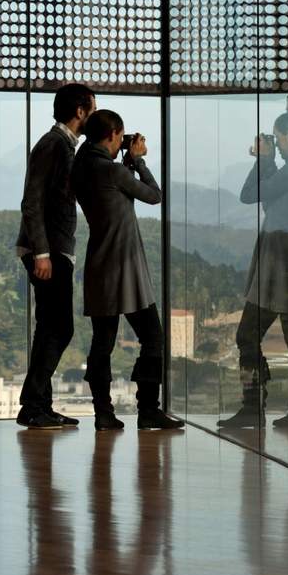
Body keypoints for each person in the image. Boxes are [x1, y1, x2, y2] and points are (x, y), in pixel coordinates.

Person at [72, 109, 183, 431]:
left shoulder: (81, 166)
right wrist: (138, 161)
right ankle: (148, 409)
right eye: (120, 137)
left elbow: (111, 183)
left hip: (99, 265)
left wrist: (124, 160)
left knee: (102, 343)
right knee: (153, 338)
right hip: (126, 266)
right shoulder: (113, 171)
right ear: (112, 136)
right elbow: (154, 196)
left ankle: (103, 413)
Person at [219, 110, 288, 429]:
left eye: (278, 137)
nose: (276, 143)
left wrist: (263, 160)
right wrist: (268, 161)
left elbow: (250, 195)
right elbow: (271, 196)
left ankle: (254, 406)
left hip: (279, 265)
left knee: (248, 335)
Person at [14, 83, 95, 430]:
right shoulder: (53, 145)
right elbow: (32, 201)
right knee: (60, 327)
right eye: (92, 109)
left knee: (50, 327)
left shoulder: (63, 145)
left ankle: (39, 406)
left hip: (52, 248)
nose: (93, 116)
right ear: (80, 111)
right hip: (47, 250)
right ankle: (32, 404)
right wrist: (42, 253)